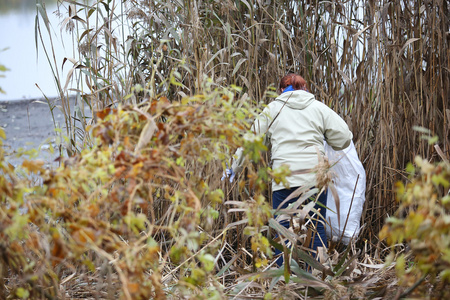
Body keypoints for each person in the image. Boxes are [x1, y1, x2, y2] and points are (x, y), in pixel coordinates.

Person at [224, 73, 353, 267]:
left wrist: (233, 168)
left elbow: (250, 141)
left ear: (280, 90)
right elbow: (344, 137)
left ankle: (283, 283)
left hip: (284, 180)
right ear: (305, 88)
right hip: (315, 180)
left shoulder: (273, 109)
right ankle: (316, 280)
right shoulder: (318, 108)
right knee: (315, 228)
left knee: (283, 230)